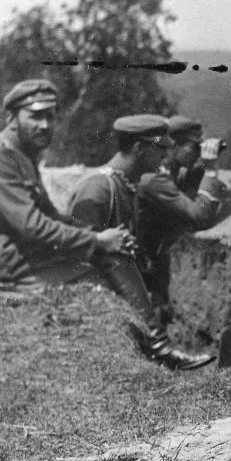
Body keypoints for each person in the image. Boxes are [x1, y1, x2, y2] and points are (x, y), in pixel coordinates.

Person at [0, 79, 126, 289]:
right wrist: (97, 241)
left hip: (6, 249)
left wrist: (93, 232)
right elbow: (33, 226)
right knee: (91, 277)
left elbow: (49, 214)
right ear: (11, 117)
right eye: (35, 116)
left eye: (50, 116)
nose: (45, 125)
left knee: (93, 261)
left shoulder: (23, 154)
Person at [67, 114, 216, 371]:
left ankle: (156, 343)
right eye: (160, 149)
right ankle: (158, 345)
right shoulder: (97, 189)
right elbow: (79, 249)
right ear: (138, 148)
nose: (166, 156)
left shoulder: (122, 185)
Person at [136, 115, 229, 326]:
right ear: (173, 145)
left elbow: (178, 184)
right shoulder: (154, 178)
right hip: (143, 265)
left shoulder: (168, 169)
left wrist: (201, 170)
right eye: (193, 147)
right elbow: (201, 217)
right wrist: (211, 171)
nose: (197, 153)